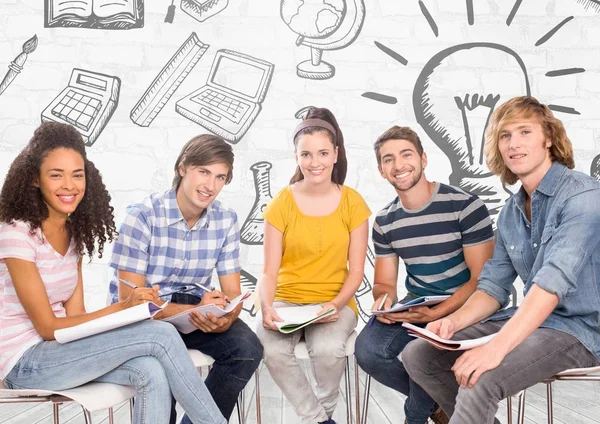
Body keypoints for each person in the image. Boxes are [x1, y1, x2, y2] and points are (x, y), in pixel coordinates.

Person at [0, 122, 225, 424]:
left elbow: (75, 318)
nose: (69, 185)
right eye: (56, 175)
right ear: (35, 180)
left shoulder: (72, 235)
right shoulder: (16, 234)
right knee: (160, 334)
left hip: (58, 353)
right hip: (24, 363)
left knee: (151, 370)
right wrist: (122, 307)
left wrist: (129, 312)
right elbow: (49, 327)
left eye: (77, 175)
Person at [402, 96, 600, 424]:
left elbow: (551, 283)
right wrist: (454, 322)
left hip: (581, 329)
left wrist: (497, 348)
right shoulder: (510, 212)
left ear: (548, 139)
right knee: (419, 355)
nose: (513, 144)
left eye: (524, 132)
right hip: (532, 321)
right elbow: (493, 286)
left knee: (481, 375)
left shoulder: (583, 196)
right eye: (505, 135)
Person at [108, 134, 263, 424]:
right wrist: (191, 313)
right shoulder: (142, 216)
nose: (210, 186)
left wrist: (225, 316)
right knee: (156, 371)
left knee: (247, 349)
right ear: (183, 168)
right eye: (203, 172)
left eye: (220, 177)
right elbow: (131, 302)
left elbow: (232, 292)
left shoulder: (225, 219)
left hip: (194, 306)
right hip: (143, 313)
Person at [354, 126, 495, 424]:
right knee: (367, 351)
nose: (399, 165)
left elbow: (482, 279)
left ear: (423, 159)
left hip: (468, 305)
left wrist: (437, 313)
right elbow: (384, 283)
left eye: (406, 154)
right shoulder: (385, 221)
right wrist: (384, 304)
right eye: (388, 159)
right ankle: (442, 405)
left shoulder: (465, 206)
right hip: (417, 303)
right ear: (381, 170)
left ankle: (416, 418)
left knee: (422, 350)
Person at [256, 107, 371, 424]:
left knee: (329, 350)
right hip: (286, 300)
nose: (315, 162)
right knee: (271, 349)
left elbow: (358, 271)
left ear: (335, 154)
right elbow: (268, 271)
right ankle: (319, 420)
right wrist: (266, 306)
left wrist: (334, 305)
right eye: (306, 154)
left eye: (322, 152)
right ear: (295, 155)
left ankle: (320, 416)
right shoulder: (281, 203)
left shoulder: (353, 202)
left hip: (334, 301)